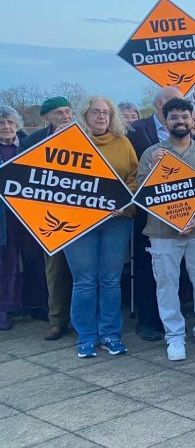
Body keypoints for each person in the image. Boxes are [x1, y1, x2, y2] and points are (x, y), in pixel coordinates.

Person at [137, 98, 195, 361]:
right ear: (165, 121)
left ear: (193, 120)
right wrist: (155, 168)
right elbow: (141, 192)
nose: (180, 121)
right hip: (162, 232)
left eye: (185, 117)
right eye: (174, 117)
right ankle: (174, 336)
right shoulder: (152, 153)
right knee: (166, 283)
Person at [64, 96, 139, 357]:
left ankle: (110, 333)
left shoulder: (123, 142)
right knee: (84, 280)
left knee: (110, 279)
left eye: (106, 113)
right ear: (84, 115)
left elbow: (134, 177)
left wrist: (122, 202)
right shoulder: (70, 142)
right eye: (96, 112)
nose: (101, 117)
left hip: (116, 221)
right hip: (79, 224)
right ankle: (85, 336)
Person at [126, 87, 181, 342]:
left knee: (172, 269)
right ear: (159, 104)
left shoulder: (184, 129)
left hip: (178, 210)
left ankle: (171, 318)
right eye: (173, 102)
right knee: (149, 267)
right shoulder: (134, 129)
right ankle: (148, 321)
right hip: (147, 213)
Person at [22, 96, 76, 340]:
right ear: (47, 117)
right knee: (55, 270)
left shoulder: (84, 138)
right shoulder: (33, 141)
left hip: (84, 214)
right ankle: (57, 320)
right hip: (50, 217)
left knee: (84, 272)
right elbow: (22, 179)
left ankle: (82, 319)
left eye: (67, 111)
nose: (65, 116)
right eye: (58, 113)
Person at [0, 106, 46, 331]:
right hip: (4, 216)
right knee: (6, 263)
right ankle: (5, 308)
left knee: (35, 258)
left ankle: (37, 304)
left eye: (9, 122)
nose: (6, 127)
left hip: (30, 214)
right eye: (1, 123)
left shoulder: (29, 145)